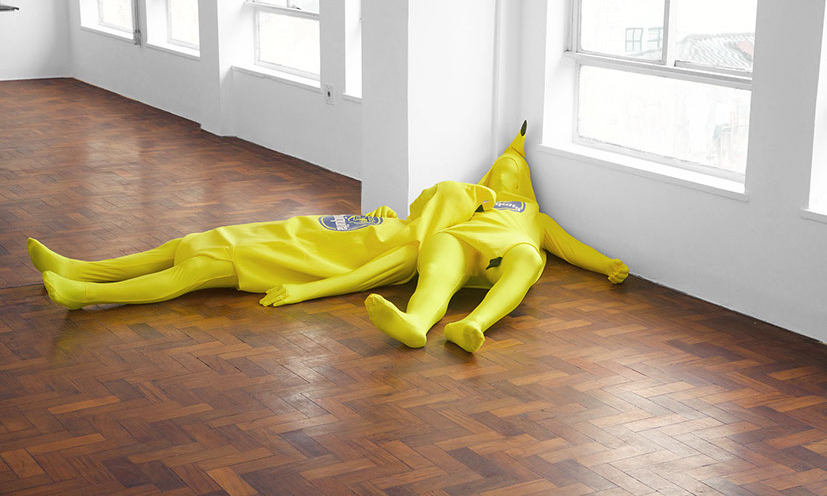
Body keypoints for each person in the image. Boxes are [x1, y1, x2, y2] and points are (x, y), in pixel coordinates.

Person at [365, 122, 630, 352]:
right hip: (461, 239)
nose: (503, 178)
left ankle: (472, 324)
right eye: (498, 173)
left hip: (509, 247)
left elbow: (570, 248)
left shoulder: (535, 215)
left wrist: (607, 264)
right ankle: (416, 322)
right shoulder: (477, 200)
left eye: (511, 174)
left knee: (528, 259)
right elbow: (434, 214)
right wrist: (391, 219)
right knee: (437, 271)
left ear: (521, 182)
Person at [28, 181, 496, 310]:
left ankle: (85, 295)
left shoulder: (411, 252)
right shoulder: (394, 221)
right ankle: (79, 268)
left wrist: (303, 292)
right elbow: (347, 227)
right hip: (265, 233)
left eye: (432, 197)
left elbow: (357, 279)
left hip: (270, 258)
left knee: (190, 273)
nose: (422, 198)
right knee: (180, 245)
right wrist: (379, 218)